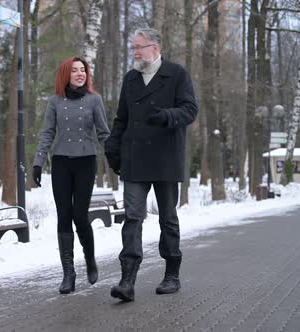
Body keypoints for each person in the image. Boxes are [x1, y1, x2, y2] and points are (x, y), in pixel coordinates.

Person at [104, 28, 198, 302]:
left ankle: (171, 275)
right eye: (132, 47)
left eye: (139, 46)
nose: (134, 51)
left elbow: (191, 109)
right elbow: (121, 118)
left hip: (166, 157)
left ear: (155, 48)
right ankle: (127, 280)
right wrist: (113, 146)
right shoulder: (131, 78)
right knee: (132, 217)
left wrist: (167, 116)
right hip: (134, 159)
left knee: (168, 218)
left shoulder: (176, 74)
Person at [32, 56, 110, 294]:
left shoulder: (94, 100)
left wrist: (115, 159)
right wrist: (37, 163)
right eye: (75, 70)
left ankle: (90, 258)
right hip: (61, 163)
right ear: (66, 74)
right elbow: (47, 133)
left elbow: (104, 133)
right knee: (64, 215)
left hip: (86, 162)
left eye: (83, 70)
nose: (80, 74)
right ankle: (68, 274)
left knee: (79, 215)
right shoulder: (55, 101)